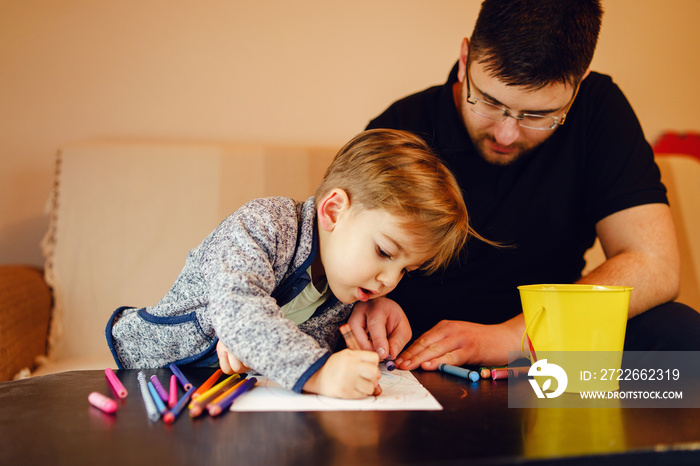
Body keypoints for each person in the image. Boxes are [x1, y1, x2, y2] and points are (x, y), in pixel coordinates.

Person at [351, 0, 700, 371]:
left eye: (538, 115)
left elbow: (654, 263)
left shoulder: (598, 109)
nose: (506, 133)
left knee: (680, 336)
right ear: (465, 58)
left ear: (578, 84)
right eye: (488, 101)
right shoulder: (401, 126)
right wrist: (367, 301)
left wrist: (518, 336)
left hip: (549, 343)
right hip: (418, 349)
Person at [105, 128, 475, 399]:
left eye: (405, 270)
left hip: (218, 396)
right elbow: (238, 306)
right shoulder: (265, 223)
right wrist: (322, 373)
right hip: (149, 374)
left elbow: (287, 343)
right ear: (333, 210)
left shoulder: (345, 287)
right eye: (384, 252)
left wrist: (353, 349)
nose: (390, 280)